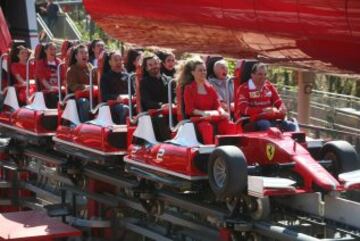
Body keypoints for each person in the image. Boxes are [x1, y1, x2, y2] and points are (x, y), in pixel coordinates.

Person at [179, 57, 237, 144]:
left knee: (229, 124)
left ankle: (231, 147)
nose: (203, 73)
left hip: (213, 117)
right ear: (193, 73)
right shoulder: (189, 88)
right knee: (207, 127)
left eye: (204, 70)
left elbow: (217, 105)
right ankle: (209, 150)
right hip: (199, 119)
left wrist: (222, 111)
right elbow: (189, 109)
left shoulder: (210, 88)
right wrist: (202, 113)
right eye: (200, 70)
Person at [235, 63, 296, 131]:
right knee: (265, 125)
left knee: (291, 125)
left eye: (265, 74)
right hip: (251, 120)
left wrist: (282, 108)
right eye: (260, 74)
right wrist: (263, 111)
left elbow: (278, 101)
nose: (263, 77)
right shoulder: (244, 88)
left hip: (270, 118)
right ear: (252, 75)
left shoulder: (269, 86)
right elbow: (244, 110)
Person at [140, 54, 174, 141]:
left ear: (159, 64)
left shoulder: (169, 80)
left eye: (156, 63)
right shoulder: (144, 82)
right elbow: (146, 102)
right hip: (154, 112)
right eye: (150, 65)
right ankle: (167, 141)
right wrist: (161, 105)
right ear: (146, 68)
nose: (154, 66)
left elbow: (175, 96)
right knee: (160, 118)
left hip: (171, 110)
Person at [100, 51, 133, 124]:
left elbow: (133, 92)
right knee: (124, 109)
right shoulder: (105, 77)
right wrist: (116, 98)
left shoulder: (128, 76)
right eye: (115, 60)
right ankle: (123, 131)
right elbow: (104, 95)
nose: (119, 62)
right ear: (110, 62)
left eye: (120, 60)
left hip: (129, 102)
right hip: (113, 105)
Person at [67, 44, 96, 122]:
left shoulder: (91, 68)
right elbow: (72, 85)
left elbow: (97, 82)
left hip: (93, 95)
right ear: (76, 56)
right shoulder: (72, 70)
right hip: (78, 97)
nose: (85, 55)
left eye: (86, 53)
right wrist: (85, 87)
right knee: (84, 102)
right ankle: (84, 123)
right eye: (82, 53)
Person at [35, 42, 62, 108]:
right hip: (47, 91)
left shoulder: (59, 62)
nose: (53, 51)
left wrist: (63, 88)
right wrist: (51, 88)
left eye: (54, 49)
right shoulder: (40, 63)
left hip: (60, 89)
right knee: (55, 97)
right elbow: (42, 79)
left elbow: (64, 78)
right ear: (45, 51)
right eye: (51, 49)